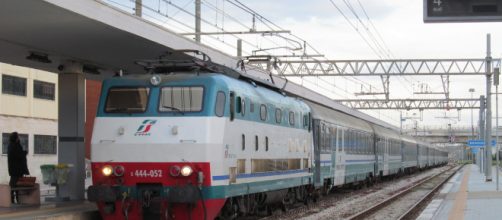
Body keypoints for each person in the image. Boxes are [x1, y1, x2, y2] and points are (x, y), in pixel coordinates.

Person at [7, 132, 29, 204]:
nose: (19, 138)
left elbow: (19, 154)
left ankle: (16, 200)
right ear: (15, 138)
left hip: (17, 170)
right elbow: (18, 156)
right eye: (18, 136)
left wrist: (23, 153)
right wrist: (24, 153)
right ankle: (12, 200)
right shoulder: (13, 146)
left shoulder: (14, 145)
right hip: (16, 170)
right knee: (13, 186)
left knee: (17, 185)